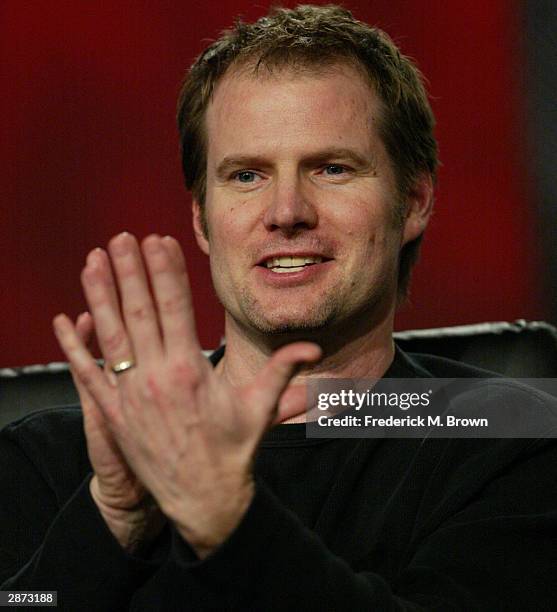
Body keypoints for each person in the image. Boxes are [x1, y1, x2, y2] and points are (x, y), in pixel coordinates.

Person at [2, 5, 557, 610]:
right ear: (201, 219)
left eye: (333, 168)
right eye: (246, 176)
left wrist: (227, 521)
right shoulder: (53, 459)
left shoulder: (511, 441)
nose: (287, 210)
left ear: (415, 201)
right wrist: (111, 518)